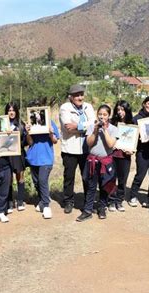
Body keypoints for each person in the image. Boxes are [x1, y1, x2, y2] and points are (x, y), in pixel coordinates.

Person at [76, 104, 118, 222]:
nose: (102, 117)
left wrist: (104, 130)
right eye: (100, 114)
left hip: (106, 161)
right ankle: (88, 210)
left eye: (105, 114)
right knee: (90, 186)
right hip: (92, 161)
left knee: (104, 185)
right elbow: (89, 143)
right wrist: (95, 130)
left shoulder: (114, 129)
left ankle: (102, 208)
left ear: (109, 116)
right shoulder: (91, 127)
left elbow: (110, 144)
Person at [59, 84, 96, 214]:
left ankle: (88, 200)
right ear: (71, 97)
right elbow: (68, 128)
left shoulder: (88, 107)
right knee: (69, 177)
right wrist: (85, 126)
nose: (80, 97)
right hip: (70, 149)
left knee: (87, 176)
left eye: (81, 95)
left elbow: (94, 124)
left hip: (86, 148)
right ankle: (68, 201)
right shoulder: (65, 108)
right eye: (76, 95)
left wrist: (78, 126)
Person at [25, 100, 60, 219]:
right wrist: (28, 132)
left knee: (42, 180)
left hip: (46, 158)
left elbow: (55, 141)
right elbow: (30, 142)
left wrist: (51, 133)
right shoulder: (30, 124)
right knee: (36, 182)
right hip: (33, 158)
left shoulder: (50, 123)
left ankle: (46, 206)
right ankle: (42, 200)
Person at [108, 100, 133, 212]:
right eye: (118, 109)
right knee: (111, 179)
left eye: (122, 109)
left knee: (122, 180)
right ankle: (111, 201)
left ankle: (119, 201)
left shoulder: (132, 124)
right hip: (112, 155)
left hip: (125, 157)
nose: (120, 112)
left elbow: (134, 142)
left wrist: (131, 151)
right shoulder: (111, 123)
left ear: (127, 110)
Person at [4, 102, 27, 212]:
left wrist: (26, 131)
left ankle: (20, 200)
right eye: (9, 110)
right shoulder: (2, 124)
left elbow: (25, 141)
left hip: (18, 153)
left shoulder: (21, 124)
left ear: (16, 111)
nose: (11, 112)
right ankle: (9, 202)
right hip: (7, 154)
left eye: (13, 110)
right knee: (8, 178)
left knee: (20, 176)